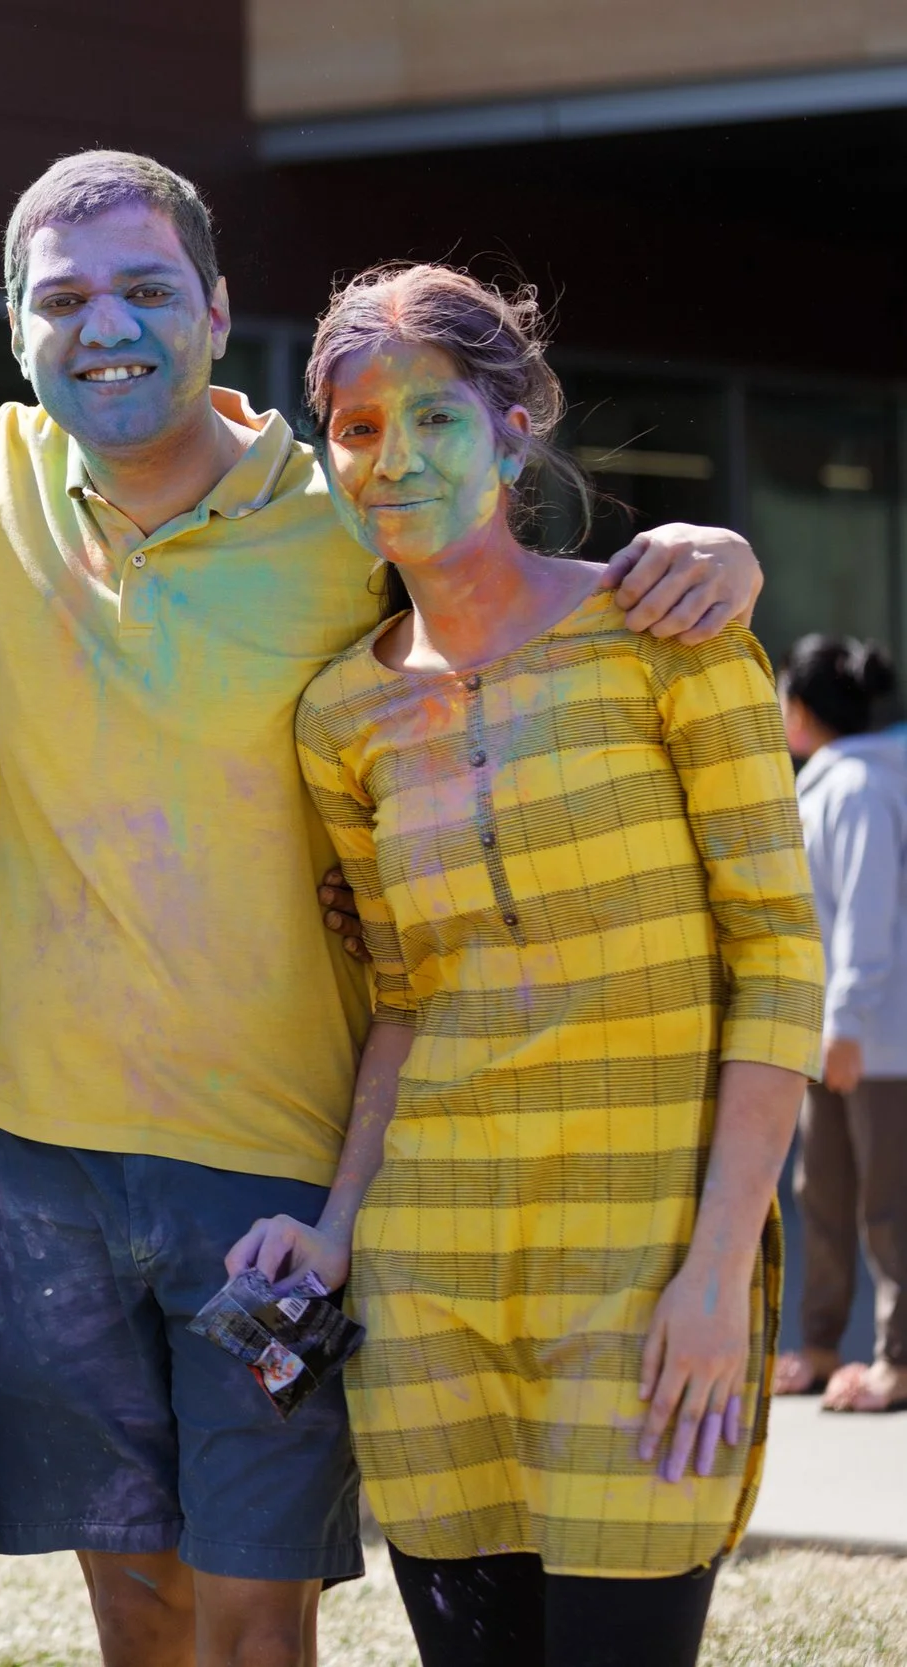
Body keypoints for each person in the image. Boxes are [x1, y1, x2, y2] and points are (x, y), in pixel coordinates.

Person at [0, 151, 769, 1667]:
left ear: (217, 310)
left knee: (258, 1609)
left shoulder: (345, 519)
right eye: (61, 298)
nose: (104, 325)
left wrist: (711, 548)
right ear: (14, 329)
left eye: (145, 288)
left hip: (271, 1148)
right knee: (131, 1600)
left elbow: (508, 588)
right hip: (37, 1152)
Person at [235, 261, 821, 1667]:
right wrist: (338, 1224)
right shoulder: (340, 715)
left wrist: (718, 1269)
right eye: (359, 428)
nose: (396, 458)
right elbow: (402, 1003)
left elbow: (778, 962)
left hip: (644, 1267)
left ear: (512, 428)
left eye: (434, 418)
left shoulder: (666, 637)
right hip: (431, 1277)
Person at [775, 634, 907, 1413]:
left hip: (876, 1037)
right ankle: (821, 1345)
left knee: (887, 1204)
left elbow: (864, 914)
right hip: (833, 1031)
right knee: (818, 1191)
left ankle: (897, 1360)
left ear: (799, 709)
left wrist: (849, 1020)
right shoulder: (830, 783)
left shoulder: (857, 786)